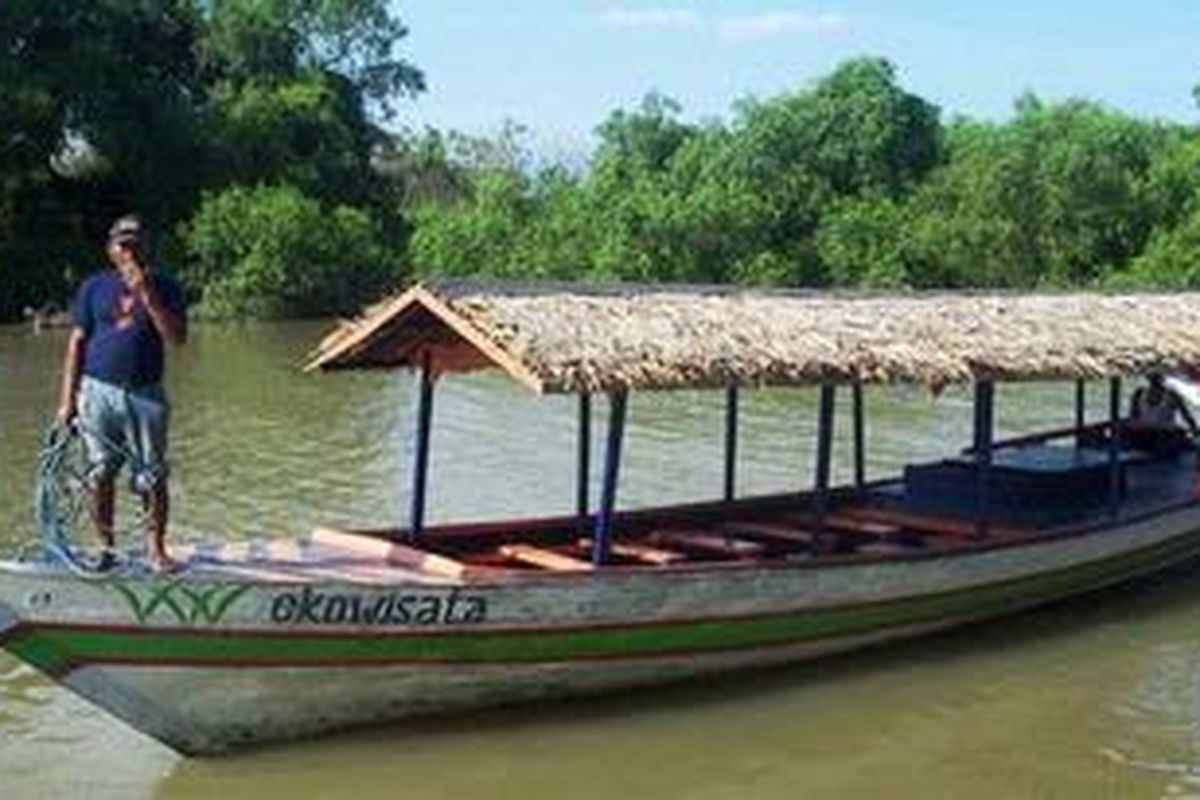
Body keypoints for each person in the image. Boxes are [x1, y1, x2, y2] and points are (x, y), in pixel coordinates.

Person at [55, 214, 188, 571]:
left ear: (148, 247)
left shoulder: (167, 286)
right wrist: (67, 402)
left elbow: (175, 340)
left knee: (152, 476)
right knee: (99, 474)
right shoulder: (94, 287)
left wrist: (147, 294)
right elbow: (77, 343)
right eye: (122, 244)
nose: (129, 250)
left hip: (146, 393)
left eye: (136, 243)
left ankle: (156, 551)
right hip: (97, 392)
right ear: (110, 249)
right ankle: (105, 549)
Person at [1126, 373, 1199, 455]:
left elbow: (1187, 417)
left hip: (1163, 434)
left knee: (1172, 436)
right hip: (1146, 434)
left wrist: (1195, 431)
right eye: (1154, 380)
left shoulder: (1172, 396)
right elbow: (1133, 416)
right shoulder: (1139, 393)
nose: (1155, 383)